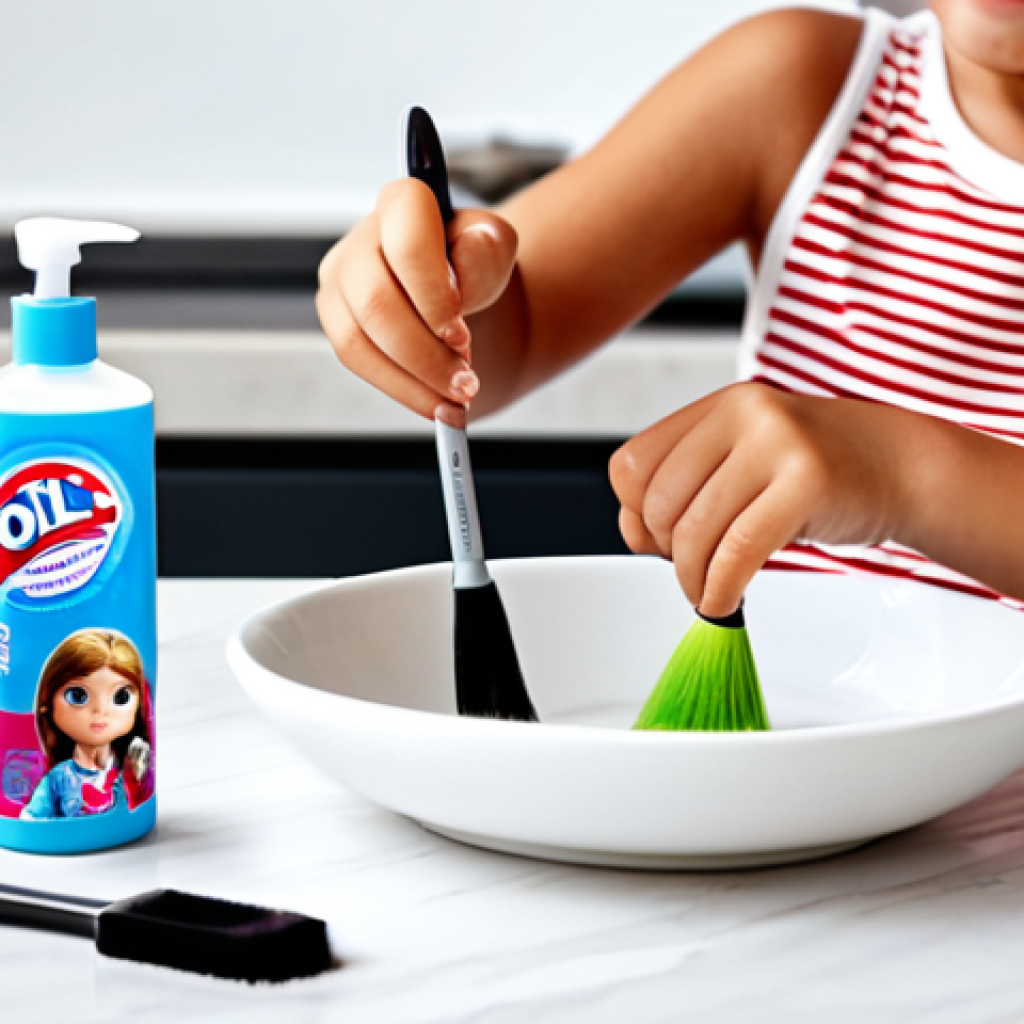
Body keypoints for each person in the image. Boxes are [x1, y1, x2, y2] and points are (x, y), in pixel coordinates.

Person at [316, 0, 1024, 619]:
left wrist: (896, 471)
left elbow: (897, 472)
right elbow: (514, 331)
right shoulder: (811, 83)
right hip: (805, 745)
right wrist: (423, 288)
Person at [20, 629, 153, 820]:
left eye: (121, 696)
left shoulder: (128, 772)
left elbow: (135, 810)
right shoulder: (60, 778)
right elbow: (31, 818)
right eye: (78, 695)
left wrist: (134, 779)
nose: (101, 711)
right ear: (47, 703)